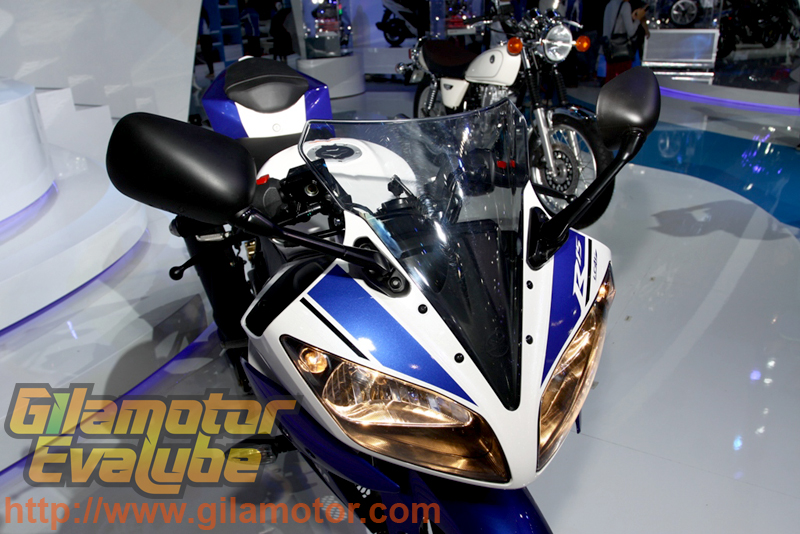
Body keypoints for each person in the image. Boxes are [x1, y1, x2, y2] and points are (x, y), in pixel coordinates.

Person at [602, 0, 645, 83]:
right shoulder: (625, 5)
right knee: (624, 81)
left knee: (610, 79)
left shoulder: (609, 4)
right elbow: (631, 31)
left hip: (610, 49)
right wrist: (638, 20)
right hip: (622, 49)